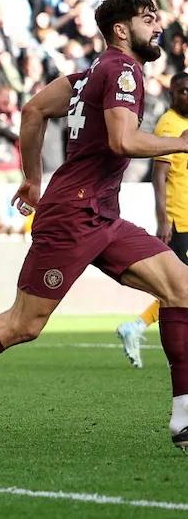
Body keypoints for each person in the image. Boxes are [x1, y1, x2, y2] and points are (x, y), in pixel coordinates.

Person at [0, 0, 188, 456]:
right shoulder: (121, 68)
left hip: (101, 214)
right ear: (121, 30)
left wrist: (32, 180)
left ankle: (184, 419)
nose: (158, 25)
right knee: (23, 324)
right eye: (148, 18)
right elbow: (123, 140)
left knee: (180, 288)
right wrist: (182, 144)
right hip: (74, 215)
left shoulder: (90, 73)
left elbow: (33, 110)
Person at [116, 70, 188, 368]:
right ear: (172, 94)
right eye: (182, 90)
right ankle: (138, 326)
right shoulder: (169, 124)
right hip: (179, 218)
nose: (187, 94)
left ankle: (137, 326)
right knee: (179, 286)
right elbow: (159, 175)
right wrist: (162, 219)